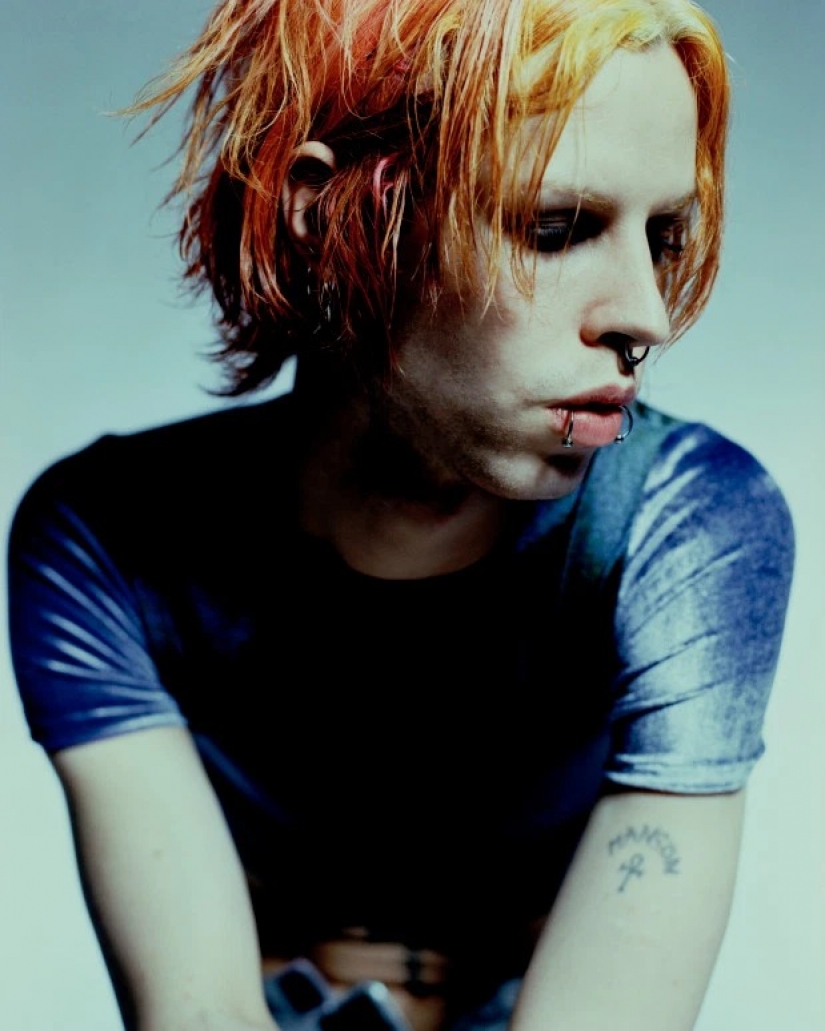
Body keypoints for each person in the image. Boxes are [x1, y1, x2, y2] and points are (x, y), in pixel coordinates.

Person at [6, 1, 795, 1029]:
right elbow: (199, 1014)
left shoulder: (686, 522)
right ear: (329, 217)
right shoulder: (105, 540)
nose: (644, 314)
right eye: (555, 229)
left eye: (664, 236)